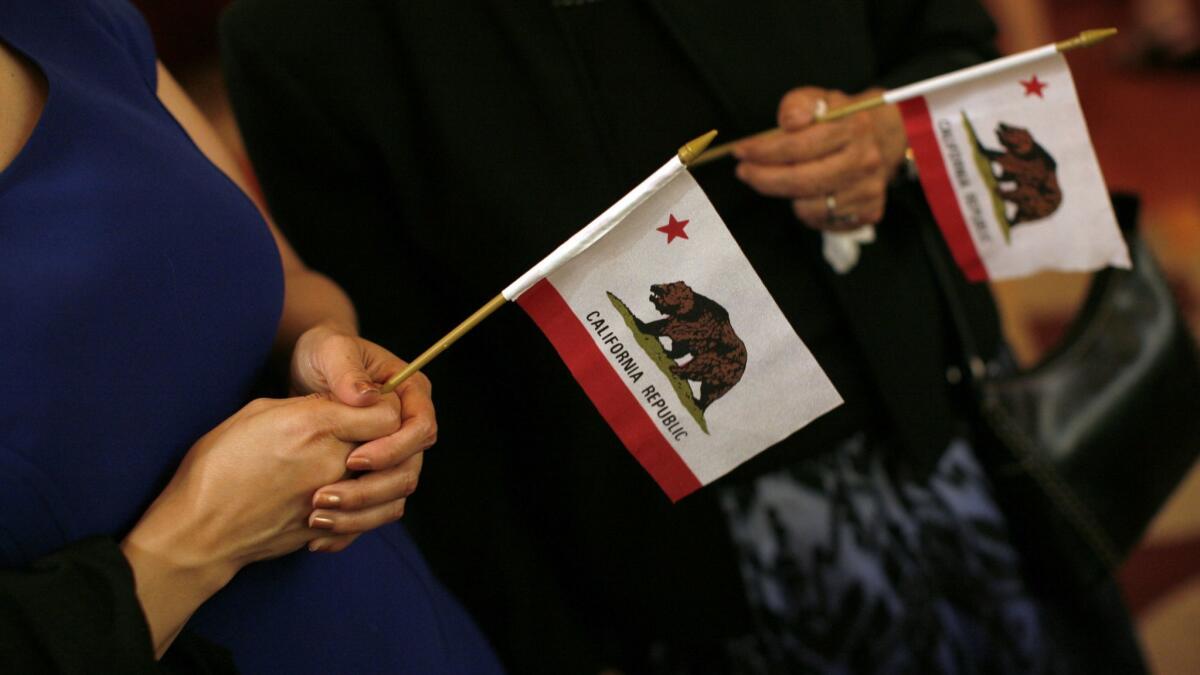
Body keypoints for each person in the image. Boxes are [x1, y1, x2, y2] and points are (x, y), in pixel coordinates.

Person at [222, 1, 1147, 672]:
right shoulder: (306, 35)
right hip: (668, 565)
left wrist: (888, 135)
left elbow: (949, 38)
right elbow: (425, 398)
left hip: (947, 411)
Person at [0, 0, 501, 672]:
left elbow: (282, 276)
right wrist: (198, 542)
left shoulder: (57, 13)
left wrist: (326, 347)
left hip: (410, 628)